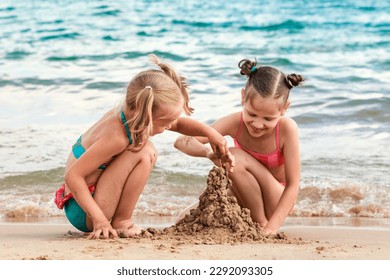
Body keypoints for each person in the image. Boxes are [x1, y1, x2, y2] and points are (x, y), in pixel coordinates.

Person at [54, 54, 232, 239]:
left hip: (86, 202)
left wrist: (213, 134)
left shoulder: (127, 114)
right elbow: (73, 176)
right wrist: (100, 221)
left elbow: (178, 124)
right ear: (145, 115)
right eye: (164, 124)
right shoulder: (117, 137)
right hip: (85, 211)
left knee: (143, 147)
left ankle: (117, 220)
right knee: (145, 151)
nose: (169, 127)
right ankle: (122, 222)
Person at [174, 58, 303, 235]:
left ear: (284, 109)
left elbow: (293, 185)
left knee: (234, 154)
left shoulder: (287, 129)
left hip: (276, 200)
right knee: (184, 219)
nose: (258, 124)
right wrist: (208, 153)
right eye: (252, 114)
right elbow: (181, 141)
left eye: (268, 119)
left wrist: (272, 228)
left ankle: (261, 223)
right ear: (243, 98)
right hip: (244, 194)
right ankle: (255, 222)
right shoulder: (236, 122)